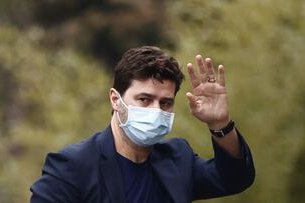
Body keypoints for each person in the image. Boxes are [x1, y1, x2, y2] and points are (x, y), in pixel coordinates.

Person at [30, 46, 255, 203]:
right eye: (144, 100)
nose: (156, 110)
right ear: (115, 99)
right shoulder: (72, 167)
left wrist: (220, 124)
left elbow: (236, 179)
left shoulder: (177, 159)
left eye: (166, 102)